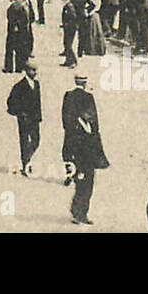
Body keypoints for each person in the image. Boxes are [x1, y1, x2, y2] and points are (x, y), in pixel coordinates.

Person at [61, 74, 108, 225]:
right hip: (87, 147)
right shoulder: (89, 98)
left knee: (80, 179)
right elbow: (95, 124)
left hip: (72, 144)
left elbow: (65, 122)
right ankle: (81, 212)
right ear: (85, 82)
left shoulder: (68, 96)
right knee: (88, 181)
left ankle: (77, 211)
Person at [6, 59, 43, 174]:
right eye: (32, 70)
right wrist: (20, 113)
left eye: (35, 70)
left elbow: (38, 102)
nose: (35, 72)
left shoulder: (37, 84)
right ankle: (25, 163)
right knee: (24, 141)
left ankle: (28, 159)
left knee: (36, 140)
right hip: (24, 118)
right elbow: (11, 102)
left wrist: (39, 116)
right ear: (26, 71)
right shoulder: (19, 86)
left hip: (34, 118)